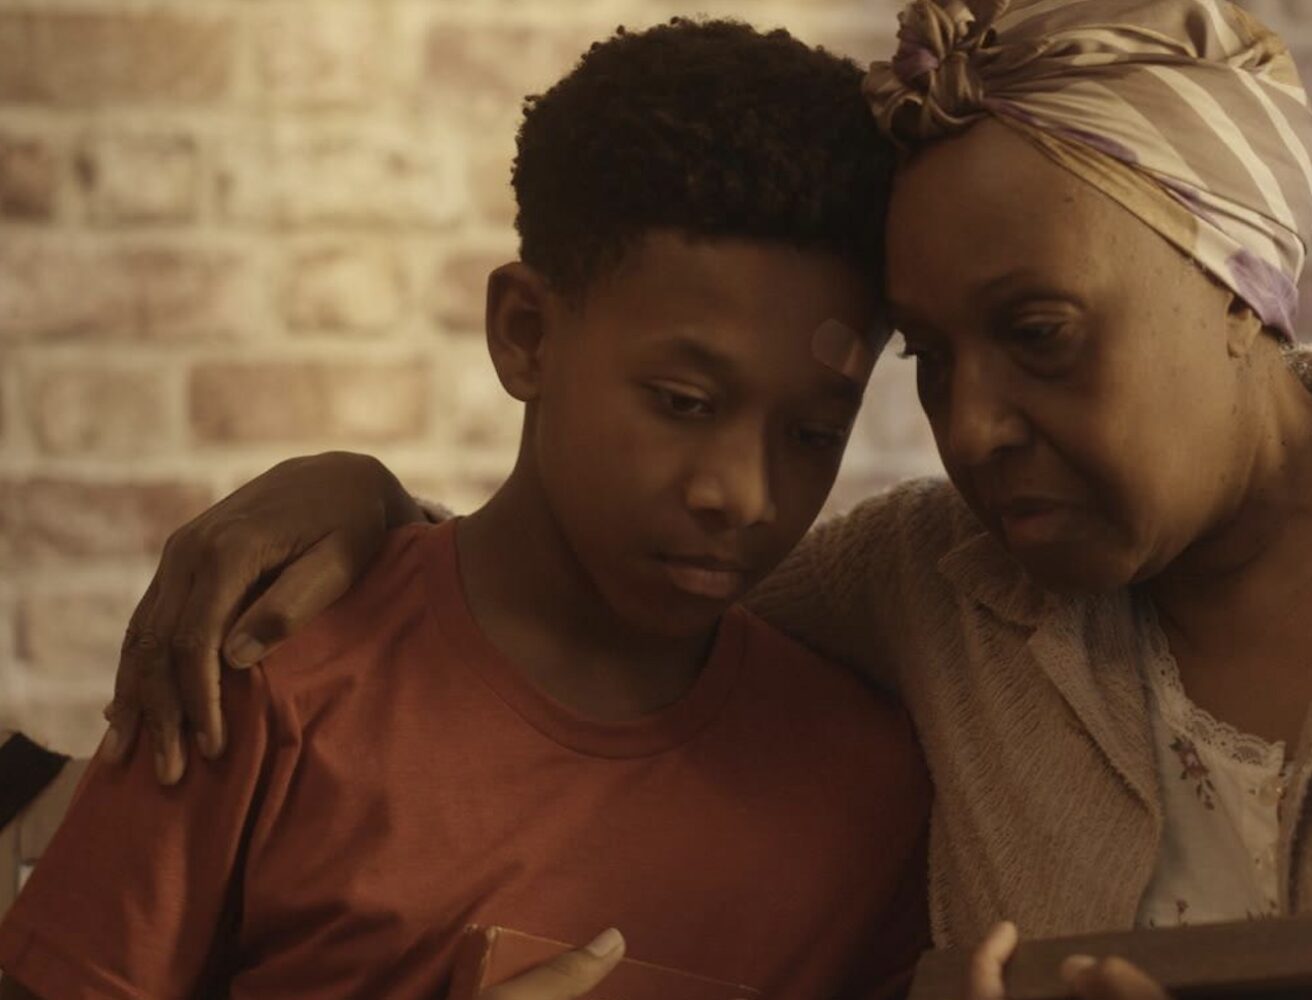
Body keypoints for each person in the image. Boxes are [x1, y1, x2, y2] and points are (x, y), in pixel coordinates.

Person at [96, 0, 1312, 997]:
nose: (975, 426)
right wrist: (355, 503)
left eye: (1038, 338)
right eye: (931, 361)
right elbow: (568, 612)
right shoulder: (938, 599)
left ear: (1241, 287)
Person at [0, 21, 931, 1000]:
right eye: (683, 404)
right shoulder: (262, 666)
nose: (741, 494)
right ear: (525, 333)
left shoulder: (860, 792)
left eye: (813, 435)